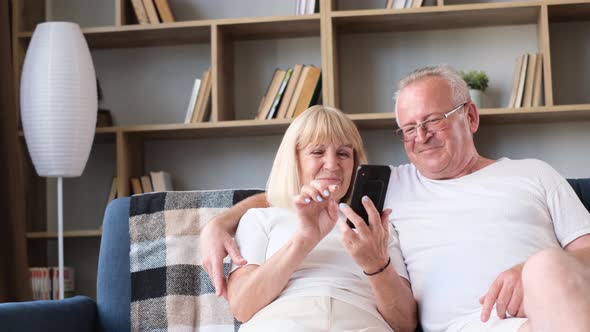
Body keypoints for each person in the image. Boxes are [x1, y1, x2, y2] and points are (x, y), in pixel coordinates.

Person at [201, 66, 590, 332]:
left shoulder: (534, 173)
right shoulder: (387, 188)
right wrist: (219, 222)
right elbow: (301, 195)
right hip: (459, 327)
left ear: (470, 116)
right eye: (408, 128)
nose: (420, 136)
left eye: (432, 120)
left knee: (546, 269)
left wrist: (531, 274)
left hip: (544, 315)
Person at [225, 105, 417, 332]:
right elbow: (242, 307)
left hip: (361, 323)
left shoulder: (375, 226)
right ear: (294, 160)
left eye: (343, 153)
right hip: (281, 322)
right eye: (317, 152)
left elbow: (405, 324)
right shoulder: (259, 218)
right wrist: (305, 239)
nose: (332, 164)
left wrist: (376, 265)